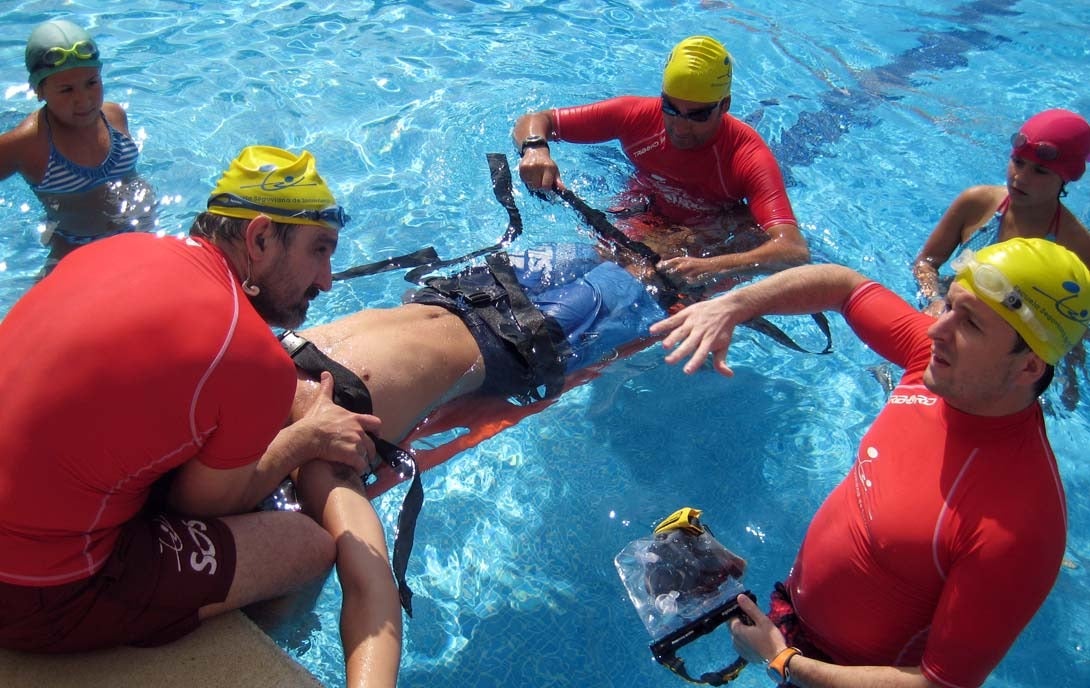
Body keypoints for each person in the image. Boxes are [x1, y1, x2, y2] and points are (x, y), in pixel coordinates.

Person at [0, 146, 400, 688]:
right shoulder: (246, 355)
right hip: (35, 596)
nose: (327, 279)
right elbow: (200, 508)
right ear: (259, 238)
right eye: (319, 250)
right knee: (306, 546)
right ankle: (275, 638)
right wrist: (305, 439)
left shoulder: (121, 249)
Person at [649, 238, 1090, 687]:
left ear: (1030, 368)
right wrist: (732, 305)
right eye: (951, 305)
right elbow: (844, 287)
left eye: (970, 324)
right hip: (791, 620)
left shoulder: (1021, 523)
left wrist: (783, 662)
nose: (937, 328)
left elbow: (938, 684)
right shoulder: (936, 362)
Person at [512, 35, 809, 293]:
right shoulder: (637, 115)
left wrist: (716, 266)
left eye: (698, 115)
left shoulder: (748, 156)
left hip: (710, 229)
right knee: (604, 260)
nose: (679, 126)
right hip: (647, 206)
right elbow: (536, 120)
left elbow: (794, 251)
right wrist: (535, 148)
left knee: (639, 277)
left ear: (725, 106)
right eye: (671, 107)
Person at [0, 19, 158, 271]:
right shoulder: (28, 143)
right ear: (39, 91)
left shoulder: (114, 116)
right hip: (74, 252)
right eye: (66, 90)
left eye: (91, 83)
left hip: (140, 235)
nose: (83, 99)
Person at [914, 109, 1090, 317]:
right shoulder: (976, 203)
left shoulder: (1074, 243)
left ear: (1066, 178)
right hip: (953, 311)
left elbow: (1077, 324)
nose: (1020, 178)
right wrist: (934, 301)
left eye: (1040, 171)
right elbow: (926, 263)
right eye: (1018, 162)